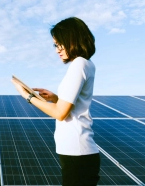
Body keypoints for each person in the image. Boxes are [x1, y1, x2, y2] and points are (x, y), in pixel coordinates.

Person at [11, 17, 100, 186]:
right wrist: (55, 98)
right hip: (78, 153)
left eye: (60, 44)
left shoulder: (79, 64)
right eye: (55, 45)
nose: (57, 50)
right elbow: (73, 105)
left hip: (77, 152)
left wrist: (27, 96)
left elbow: (60, 113)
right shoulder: (86, 64)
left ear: (72, 39)